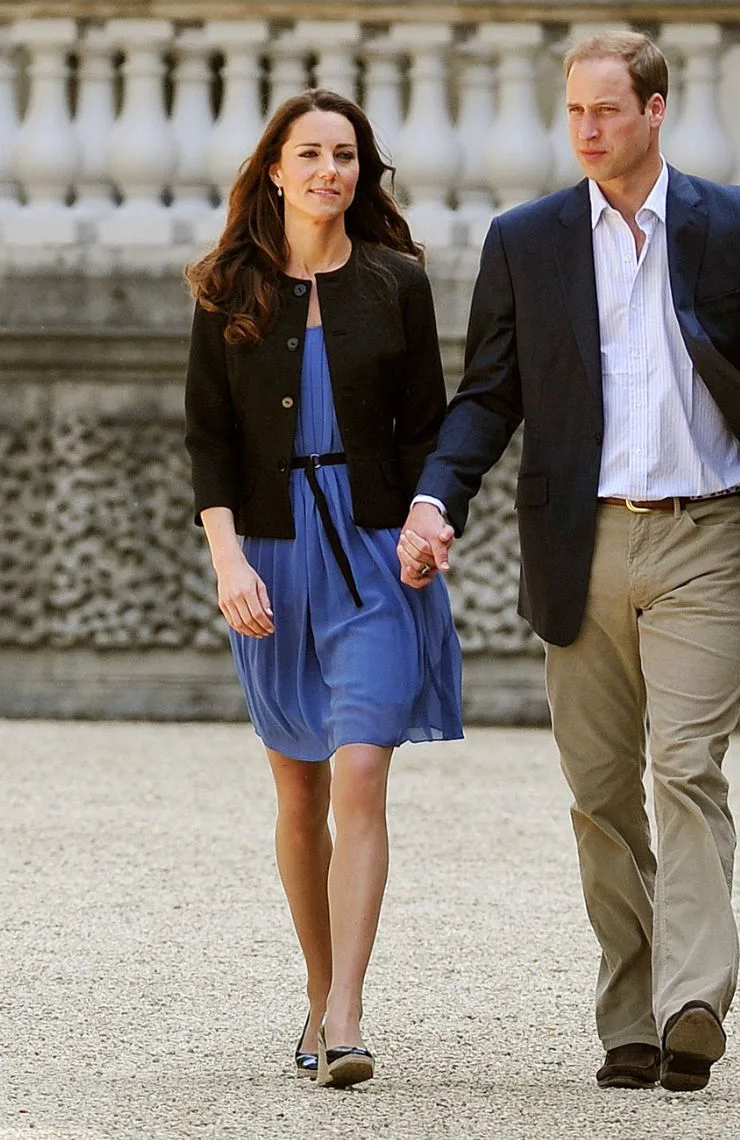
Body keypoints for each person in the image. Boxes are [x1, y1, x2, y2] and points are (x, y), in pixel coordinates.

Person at [397, 32, 740, 1094]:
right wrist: (434, 498)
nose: (586, 130)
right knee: (597, 795)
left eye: (606, 112)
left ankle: (691, 1001)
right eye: (574, 112)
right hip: (578, 540)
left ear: (655, 111)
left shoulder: (738, 227)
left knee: (685, 766)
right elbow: (489, 394)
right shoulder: (526, 240)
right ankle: (628, 1013)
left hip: (703, 537)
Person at [184, 89, 462, 1090]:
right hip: (271, 558)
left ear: (362, 172)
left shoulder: (396, 282)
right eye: (310, 154)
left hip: (379, 554)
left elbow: (432, 428)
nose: (329, 171)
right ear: (275, 170)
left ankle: (347, 1011)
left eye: (346, 155)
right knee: (299, 791)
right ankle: (316, 986)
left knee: (361, 774)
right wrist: (229, 564)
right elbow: (208, 443)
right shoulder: (227, 286)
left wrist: (435, 517)